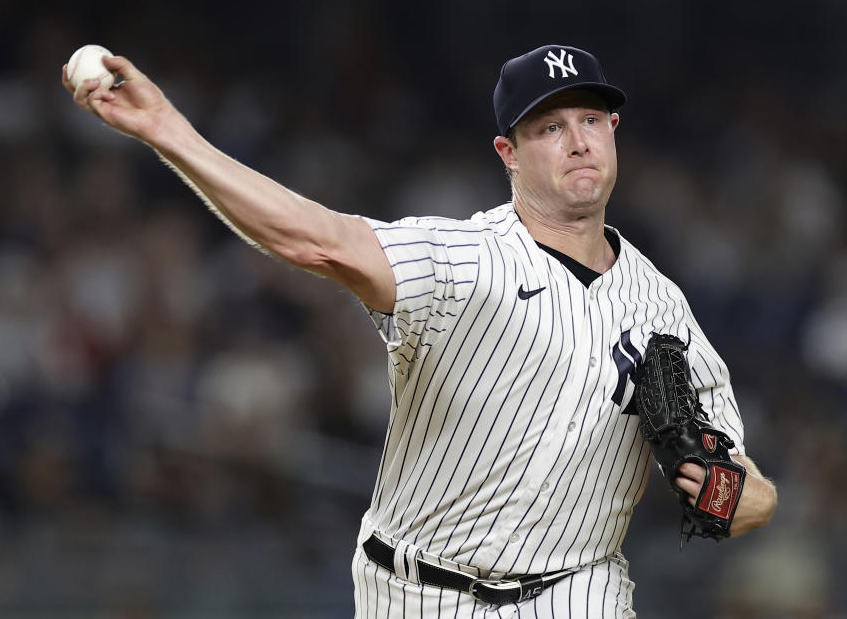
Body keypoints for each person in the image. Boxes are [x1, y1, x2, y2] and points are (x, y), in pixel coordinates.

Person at [64, 43, 777, 617]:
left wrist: (726, 492)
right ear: (509, 154)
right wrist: (166, 130)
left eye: (590, 120)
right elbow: (318, 241)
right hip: (418, 591)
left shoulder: (662, 307)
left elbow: (749, 496)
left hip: (578, 592)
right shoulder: (463, 260)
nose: (578, 142)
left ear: (614, 131)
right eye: (550, 128)